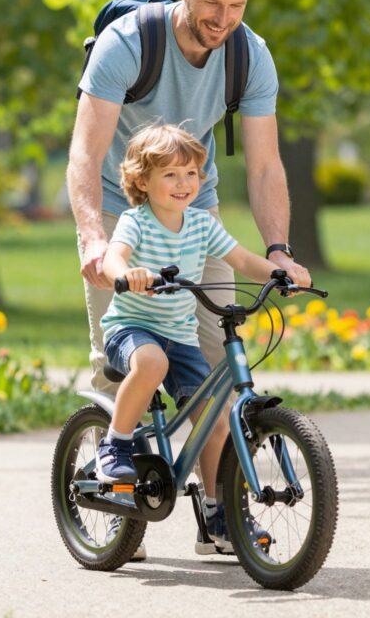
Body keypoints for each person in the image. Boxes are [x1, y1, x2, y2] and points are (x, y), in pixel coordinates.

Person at [67, 0, 312, 558]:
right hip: (123, 216)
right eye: (212, 7)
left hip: (195, 216)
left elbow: (264, 167)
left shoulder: (249, 56)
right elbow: (87, 151)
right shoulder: (129, 44)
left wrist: (278, 250)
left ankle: (215, 508)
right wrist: (95, 239)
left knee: (217, 370)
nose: (223, 22)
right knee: (125, 359)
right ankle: (117, 495)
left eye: (237, 8)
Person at [97, 124, 280, 551]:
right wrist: (126, 275)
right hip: (130, 329)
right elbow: (113, 258)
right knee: (151, 364)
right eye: (171, 175)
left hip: (179, 337)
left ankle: (217, 517)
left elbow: (242, 258)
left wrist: (279, 271)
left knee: (216, 422)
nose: (184, 184)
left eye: (192, 174)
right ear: (143, 181)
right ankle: (115, 445)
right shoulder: (135, 222)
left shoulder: (200, 224)